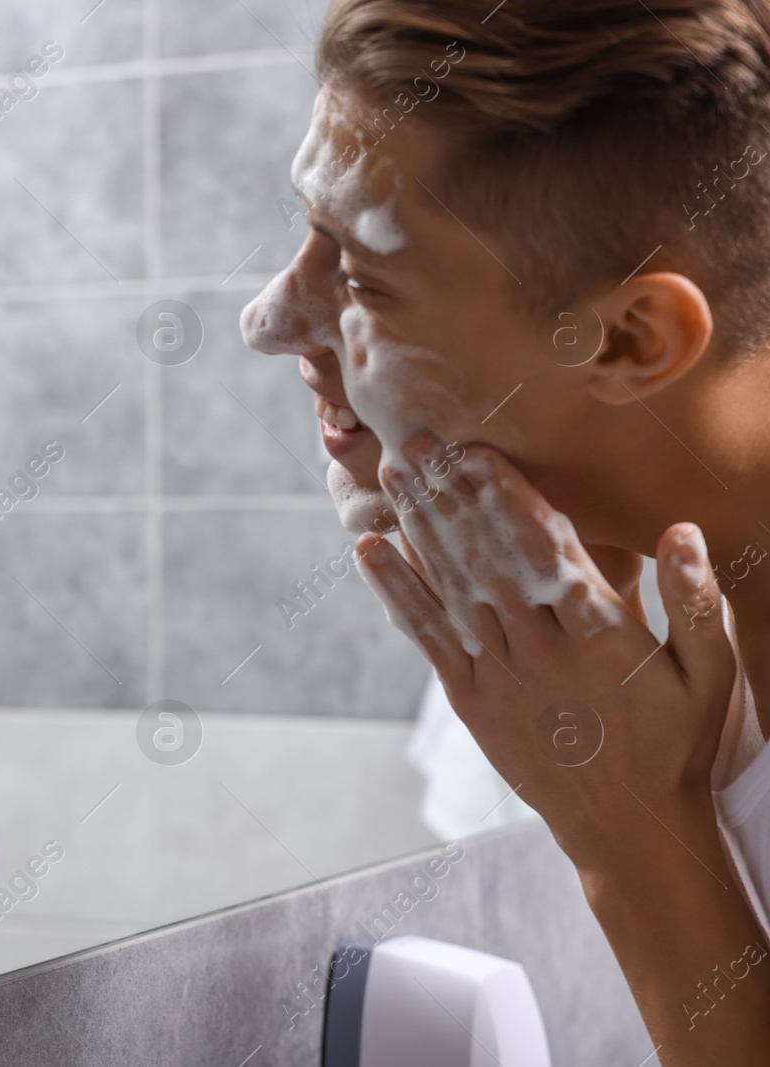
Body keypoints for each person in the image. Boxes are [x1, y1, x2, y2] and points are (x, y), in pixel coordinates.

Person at [243, 1, 770, 1061]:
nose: (268, 322)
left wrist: (628, 833)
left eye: (357, 276)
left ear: (626, 339)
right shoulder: (638, 615)